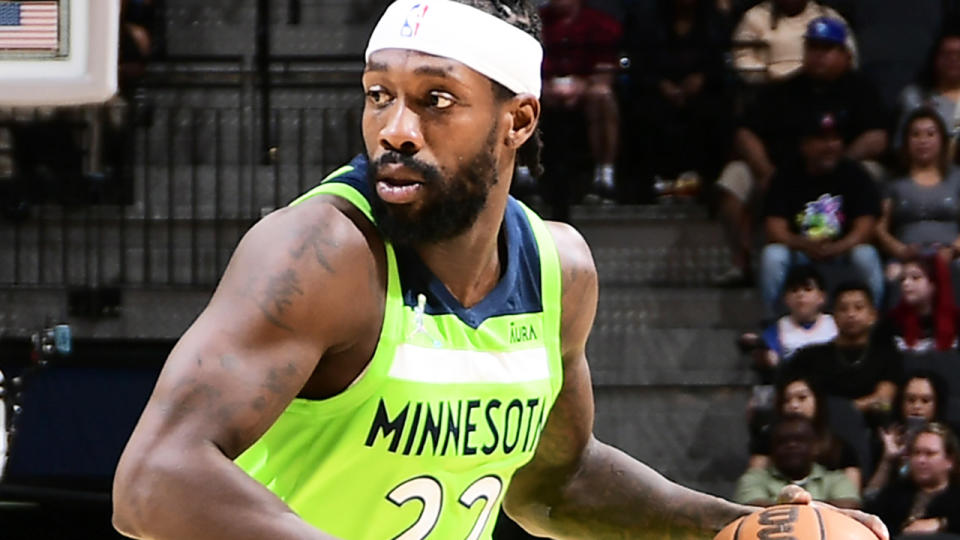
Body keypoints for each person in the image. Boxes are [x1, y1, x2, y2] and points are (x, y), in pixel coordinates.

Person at [106, 2, 891, 539]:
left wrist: (735, 524)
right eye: (378, 96)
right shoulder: (321, 253)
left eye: (435, 100)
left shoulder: (560, 270)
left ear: (517, 119)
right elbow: (153, 481)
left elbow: (553, 484)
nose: (396, 130)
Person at [715, 16, 887, 286]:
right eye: (813, 48)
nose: (818, 56)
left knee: (872, 172)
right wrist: (765, 170)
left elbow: (878, 138)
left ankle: (867, 251)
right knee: (732, 179)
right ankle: (742, 262)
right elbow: (744, 132)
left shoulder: (860, 89)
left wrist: (840, 166)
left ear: (844, 53)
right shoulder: (785, 90)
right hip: (782, 173)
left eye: (827, 49)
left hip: (841, 172)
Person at [758, 109, 883, 320]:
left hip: (843, 251)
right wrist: (804, 244)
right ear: (804, 145)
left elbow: (866, 227)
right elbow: (774, 228)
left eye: (835, 139)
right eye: (822, 139)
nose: (830, 146)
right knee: (773, 255)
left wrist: (837, 247)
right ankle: (773, 324)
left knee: (866, 255)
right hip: (801, 252)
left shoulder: (855, 174)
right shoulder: (786, 175)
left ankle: (872, 321)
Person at [622, 0, 731, 191]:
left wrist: (703, 78)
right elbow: (639, 63)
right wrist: (661, 84)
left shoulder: (714, 21)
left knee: (714, 110)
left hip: (703, 90)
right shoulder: (647, 20)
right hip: (657, 88)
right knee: (644, 110)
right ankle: (651, 181)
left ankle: (703, 180)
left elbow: (722, 60)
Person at [538, 0, 621, 200]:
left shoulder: (600, 23)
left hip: (586, 88)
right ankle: (525, 172)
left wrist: (581, 86)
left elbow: (606, 72)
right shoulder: (536, 21)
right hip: (546, 86)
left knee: (602, 95)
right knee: (524, 93)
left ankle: (604, 174)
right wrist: (544, 85)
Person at [780, 282, 901, 414]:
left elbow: (884, 403)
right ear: (834, 316)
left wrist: (837, 410)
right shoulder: (809, 357)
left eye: (859, 308)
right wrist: (864, 404)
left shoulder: (887, 354)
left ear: (873, 315)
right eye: (843, 308)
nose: (851, 314)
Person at [876, 108, 960, 282]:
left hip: (952, 255)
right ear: (905, 142)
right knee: (893, 274)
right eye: (916, 135)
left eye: (930, 134)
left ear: (942, 140)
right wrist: (900, 250)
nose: (923, 141)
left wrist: (953, 250)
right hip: (906, 257)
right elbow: (880, 227)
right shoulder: (894, 181)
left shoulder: (957, 177)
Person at [748, 376, 861, 488]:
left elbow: (850, 500)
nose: (793, 405)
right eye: (787, 400)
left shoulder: (839, 448)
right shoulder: (766, 442)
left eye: (802, 398)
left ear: (818, 401)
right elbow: (753, 486)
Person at [735, 414, 861, 508]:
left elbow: (849, 506)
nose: (792, 445)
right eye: (783, 441)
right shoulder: (754, 478)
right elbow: (751, 508)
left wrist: (782, 506)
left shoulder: (836, 479)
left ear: (815, 447)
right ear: (772, 448)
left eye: (800, 440)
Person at [864, 371, 951, 499]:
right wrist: (887, 460)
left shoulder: (951, 439)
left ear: (937, 404)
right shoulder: (887, 437)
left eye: (925, 401)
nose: (917, 406)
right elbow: (870, 497)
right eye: (910, 400)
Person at [865, 423, 960, 536]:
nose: (921, 460)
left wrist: (941, 523)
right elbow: (868, 517)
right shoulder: (894, 494)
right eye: (916, 453)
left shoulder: (956, 497)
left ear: (950, 461)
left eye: (929, 454)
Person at [731, 0, 857, 84]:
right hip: (769, 89)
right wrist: (768, 75)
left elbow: (849, 56)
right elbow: (742, 58)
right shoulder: (754, 17)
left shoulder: (828, 16)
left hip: (821, 87)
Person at [739, 265, 837, 372]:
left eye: (807, 289)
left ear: (822, 297)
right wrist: (758, 346)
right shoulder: (779, 328)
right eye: (794, 290)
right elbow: (771, 358)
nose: (800, 295)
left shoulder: (835, 324)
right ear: (786, 299)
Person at [875, 256, 960, 353]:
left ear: (934, 284)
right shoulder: (891, 323)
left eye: (915, 277)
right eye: (902, 279)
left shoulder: (956, 321)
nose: (906, 283)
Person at [896, 30, 960, 156]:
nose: (953, 59)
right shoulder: (914, 97)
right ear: (935, 59)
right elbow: (900, 146)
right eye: (947, 54)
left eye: (959, 55)